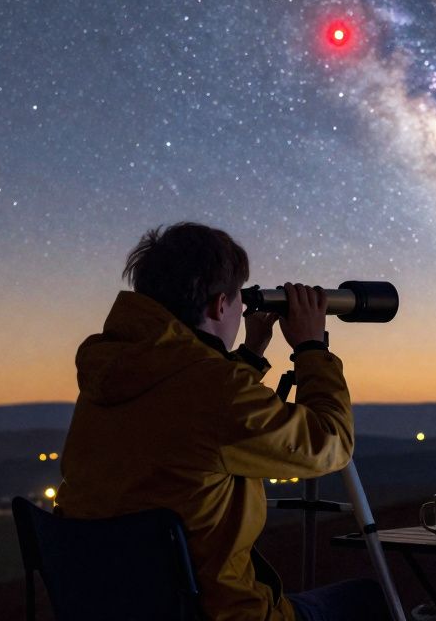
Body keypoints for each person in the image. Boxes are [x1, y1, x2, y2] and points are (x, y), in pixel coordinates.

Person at [57, 222, 390, 621]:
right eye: (237, 301)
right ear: (219, 306)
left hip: (116, 608)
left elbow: (196, 407)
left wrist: (249, 354)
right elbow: (330, 443)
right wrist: (311, 347)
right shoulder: (217, 391)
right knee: (369, 599)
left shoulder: (110, 375)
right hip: (218, 612)